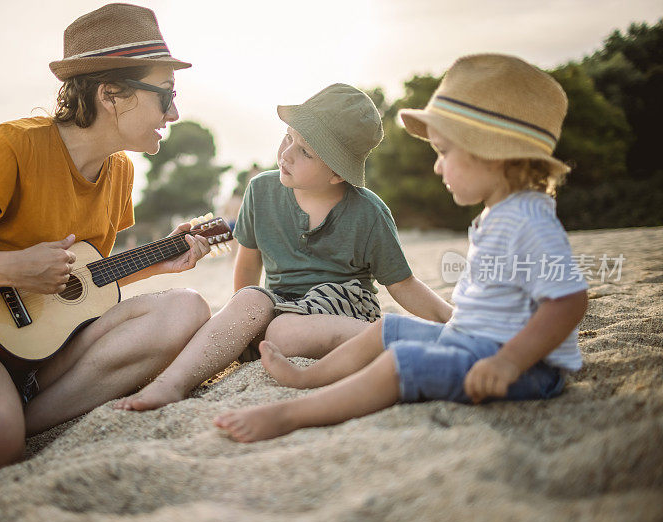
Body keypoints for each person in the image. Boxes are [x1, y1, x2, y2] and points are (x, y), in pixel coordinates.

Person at [0, 4, 212, 496]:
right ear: (112, 94)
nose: (174, 113)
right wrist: (12, 267)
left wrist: (155, 264)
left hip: (47, 347)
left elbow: (77, 284)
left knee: (187, 309)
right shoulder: (12, 148)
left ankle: (5, 416)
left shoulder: (120, 173)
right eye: (166, 96)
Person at [214, 54, 589, 442]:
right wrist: (453, 318)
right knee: (385, 330)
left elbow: (569, 301)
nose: (437, 167)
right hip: (473, 342)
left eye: (444, 152)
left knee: (401, 363)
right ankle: (308, 377)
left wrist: (510, 362)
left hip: (522, 368)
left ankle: (293, 415)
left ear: (491, 154)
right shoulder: (503, 214)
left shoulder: (530, 220)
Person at [115, 83, 452, 412]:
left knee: (283, 332)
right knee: (250, 302)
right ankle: (172, 383)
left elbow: (403, 284)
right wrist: (244, 321)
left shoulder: (368, 212)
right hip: (282, 303)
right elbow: (247, 267)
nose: (286, 154)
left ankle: (390, 338)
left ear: (337, 173)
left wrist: (452, 320)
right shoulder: (261, 191)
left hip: (343, 304)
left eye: (304, 151)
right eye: (288, 137)